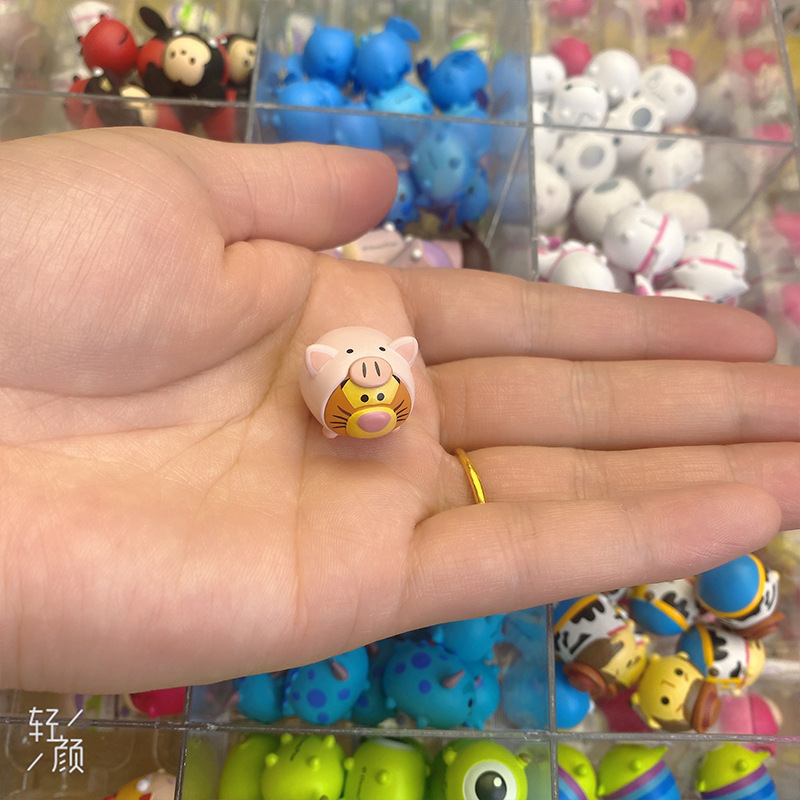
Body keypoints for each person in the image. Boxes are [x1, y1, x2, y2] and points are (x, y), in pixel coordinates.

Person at [0, 127, 798, 694]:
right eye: (371, 395)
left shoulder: (377, 378)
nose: (380, 403)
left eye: (384, 393)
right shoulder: (324, 376)